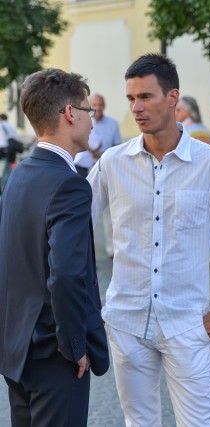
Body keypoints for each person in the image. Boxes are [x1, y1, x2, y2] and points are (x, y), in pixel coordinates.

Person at [87, 54, 210, 426]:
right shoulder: (112, 163)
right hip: (126, 323)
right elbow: (74, 232)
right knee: (139, 423)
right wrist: (92, 302)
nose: (136, 108)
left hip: (186, 323)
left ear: (172, 97)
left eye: (145, 97)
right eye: (131, 98)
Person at [0, 68, 109, 426]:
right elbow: (66, 275)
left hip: (18, 351)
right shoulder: (70, 185)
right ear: (70, 113)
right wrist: (75, 346)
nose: (92, 121)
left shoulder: (19, 173)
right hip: (54, 355)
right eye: (89, 110)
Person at [89, 94, 122, 258]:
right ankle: (87, 247)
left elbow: (118, 146)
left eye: (100, 104)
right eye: (95, 104)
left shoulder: (112, 123)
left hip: (108, 170)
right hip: (87, 170)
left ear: (104, 105)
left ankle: (111, 249)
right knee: (88, 209)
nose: (98, 107)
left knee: (110, 211)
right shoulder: (85, 122)